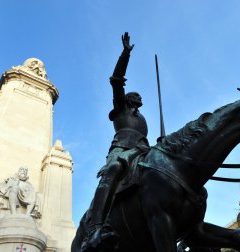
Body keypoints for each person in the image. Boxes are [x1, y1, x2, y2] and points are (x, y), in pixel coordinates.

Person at [83, 32, 150, 251]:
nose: (140, 98)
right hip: (122, 150)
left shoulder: (142, 118)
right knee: (112, 169)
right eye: (136, 95)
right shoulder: (121, 108)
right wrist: (125, 54)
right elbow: (116, 80)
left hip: (143, 151)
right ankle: (95, 226)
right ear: (129, 98)